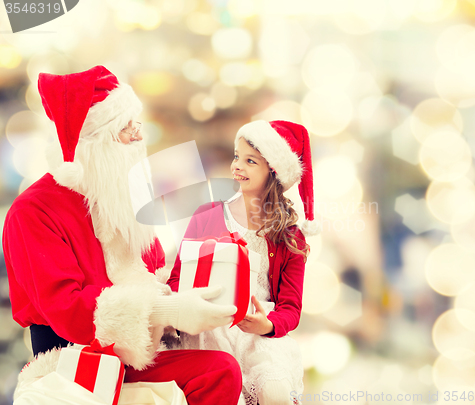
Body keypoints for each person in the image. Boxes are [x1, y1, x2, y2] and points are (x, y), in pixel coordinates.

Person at [2, 65, 242, 405]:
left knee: (224, 367)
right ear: (93, 142)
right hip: (73, 363)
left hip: (136, 355)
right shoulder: (34, 211)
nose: (139, 137)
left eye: (136, 124)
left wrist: (212, 294)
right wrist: (167, 311)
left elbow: (156, 273)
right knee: (219, 371)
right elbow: (68, 310)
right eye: (125, 128)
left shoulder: (121, 199)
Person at [168, 120, 321, 405]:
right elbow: (177, 278)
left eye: (250, 161)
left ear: (273, 171)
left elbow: (290, 308)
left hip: (257, 335)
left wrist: (266, 325)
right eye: (237, 156)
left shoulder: (290, 237)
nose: (237, 166)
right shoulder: (208, 215)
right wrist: (186, 304)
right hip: (208, 330)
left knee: (275, 393)